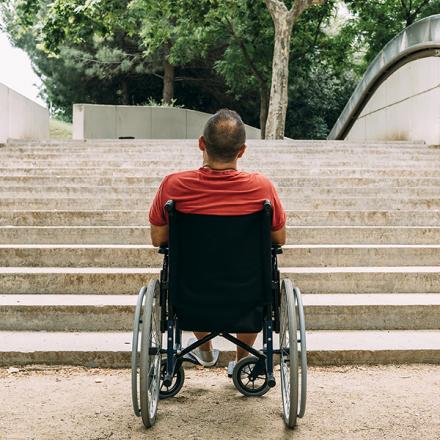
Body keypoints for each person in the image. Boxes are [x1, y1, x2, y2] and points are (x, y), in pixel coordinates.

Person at [148, 108, 286, 371]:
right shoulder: (262, 188)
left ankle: (205, 351)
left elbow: (158, 238)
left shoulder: (174, 185)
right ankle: (243, 359)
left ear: (202, 143)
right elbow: (279, 237)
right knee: (260, 275)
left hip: (191, 292)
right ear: (242, 150)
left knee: (190, 272)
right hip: (248, 293)